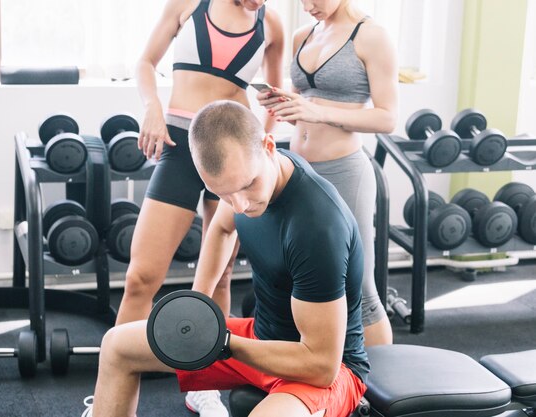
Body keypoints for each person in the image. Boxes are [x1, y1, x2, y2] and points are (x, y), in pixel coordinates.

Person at [86, 100, 368, 417]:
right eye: (222, 193)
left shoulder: (316, 227)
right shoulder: (243, 181)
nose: (239, 206)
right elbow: (221, 229)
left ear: (269, 146)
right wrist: (197, 303)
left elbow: (321, 365)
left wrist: (223, 343)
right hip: (260, 338)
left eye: (248, 186)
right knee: (116, 346)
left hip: (323, 369)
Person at [117, 0, 284, 415]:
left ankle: (203, 382)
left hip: (232, 151)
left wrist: (259, 151)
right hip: (177, 142)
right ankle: (116, 391)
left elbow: (275, 100)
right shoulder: (188, 4)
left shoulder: (272, 24)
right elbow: (145, 62)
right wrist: (151, 107)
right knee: (141, 276)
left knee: (221, 277)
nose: (260, 2)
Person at [257, 0, 397, 346]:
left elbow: (387, 118)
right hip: (300, 171)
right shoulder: (303, 34)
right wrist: (286, 104)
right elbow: (308, 99)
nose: (307, 6)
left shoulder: (372, 36)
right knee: (302, 277)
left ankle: (382, 392)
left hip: (344, 170)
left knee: (360, 289)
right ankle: (319, 371)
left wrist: (319, 113)